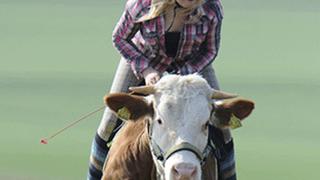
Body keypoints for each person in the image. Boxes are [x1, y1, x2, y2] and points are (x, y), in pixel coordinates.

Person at [87, 0, 236, 179]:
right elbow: (119, 37)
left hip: (192, 66)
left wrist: (181, 77)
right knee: (108, 124)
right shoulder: (141, 4)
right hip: (143, 61)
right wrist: (147, 70)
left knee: (224, 131)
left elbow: (210, 51)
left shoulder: (212, 8)